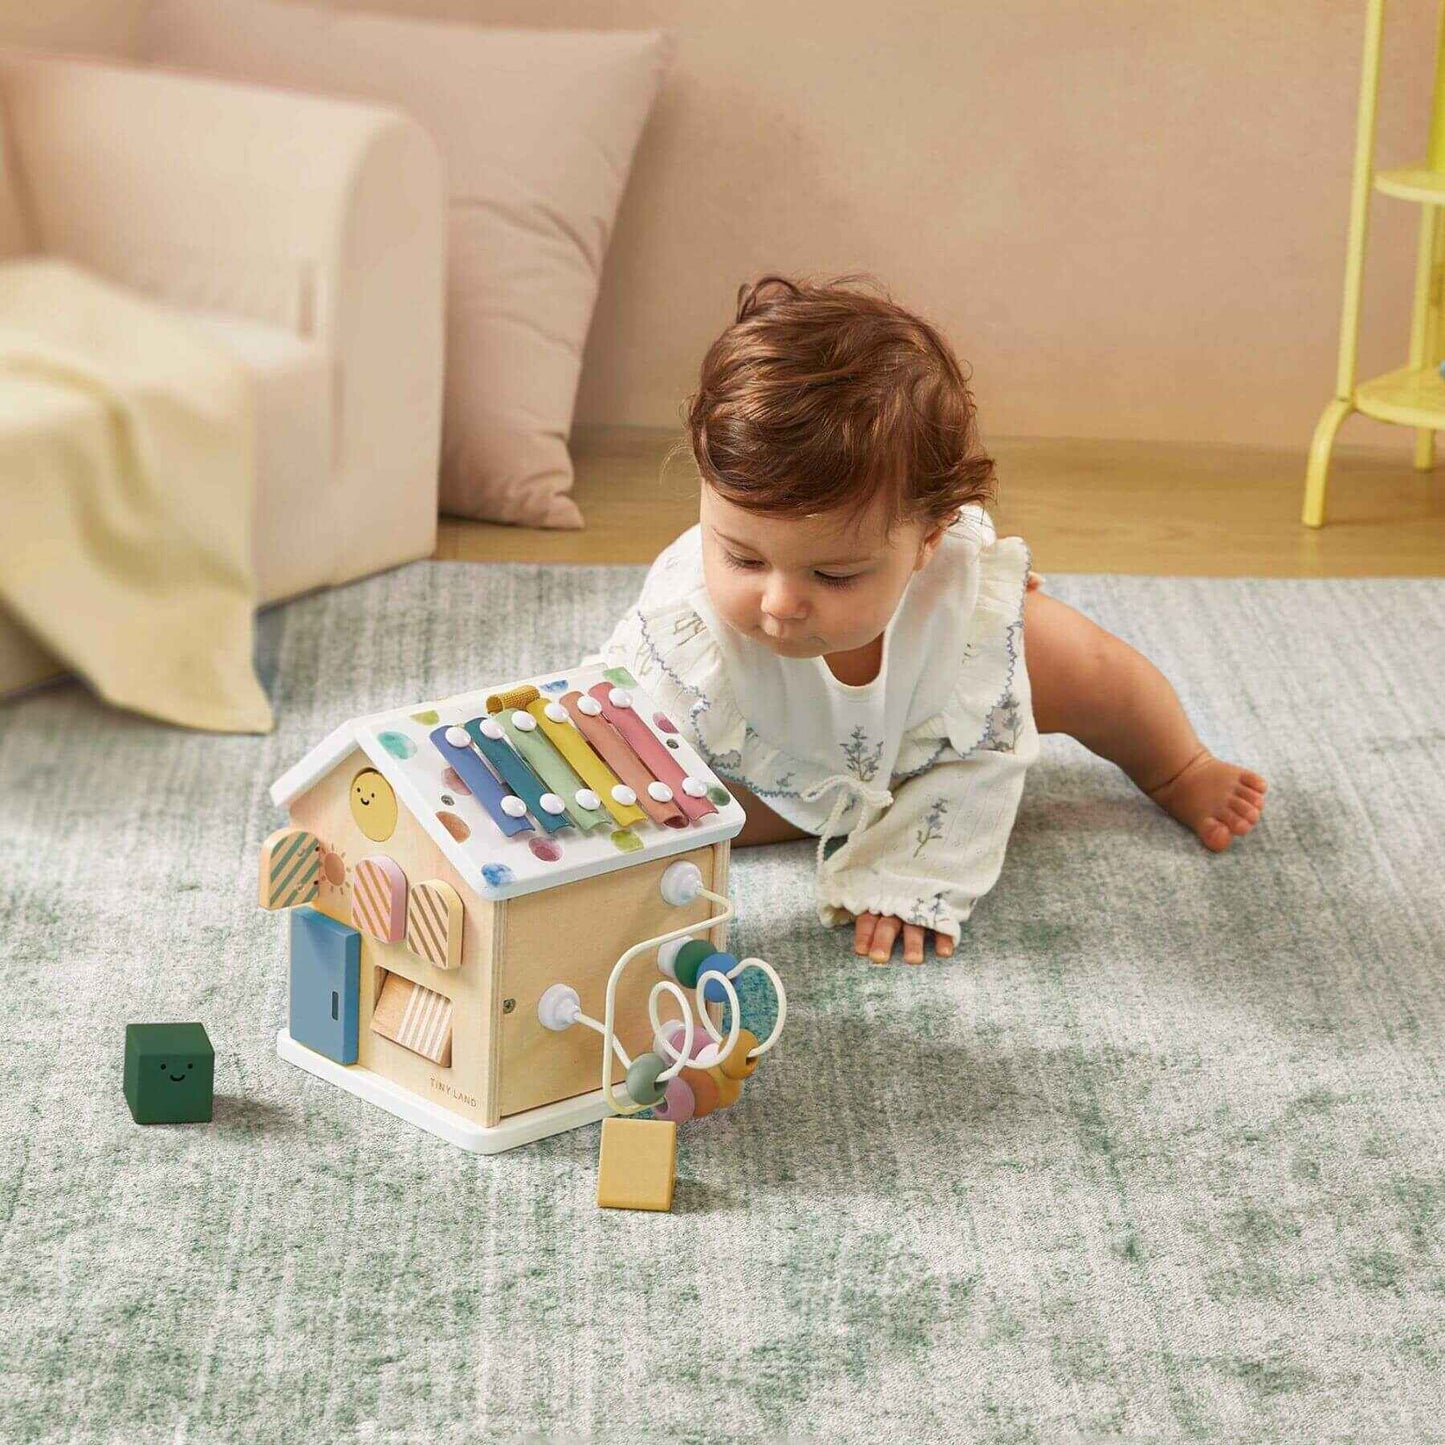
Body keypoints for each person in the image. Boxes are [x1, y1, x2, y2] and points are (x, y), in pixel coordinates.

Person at [601, 275, 1267, 964]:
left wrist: (913, 871)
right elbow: (617, 726)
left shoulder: (958, 611)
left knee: (1083, 666)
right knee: (687, 810)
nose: (779, 603)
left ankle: (1178, 765)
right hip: (787, 734)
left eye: (832, 574)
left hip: (934, 695)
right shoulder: (685, 627)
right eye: (741, 557)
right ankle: (857, 801)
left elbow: (1006, 710)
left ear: (927, 541)